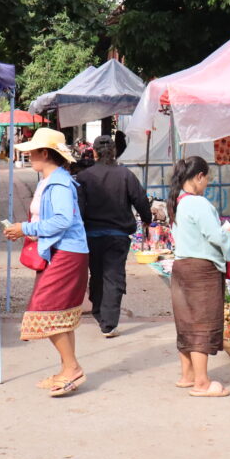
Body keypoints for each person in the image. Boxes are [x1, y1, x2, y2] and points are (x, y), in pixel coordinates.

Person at [3, 127, 89, 397]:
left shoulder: (60, 182)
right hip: (61, 251)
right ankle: (67, 368)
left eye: (32, 151)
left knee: (45, 309)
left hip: (67, 251)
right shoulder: (52, 179)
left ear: (44, 153)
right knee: (60, 311)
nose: (28, 155)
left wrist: (25, 229)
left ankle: (72, 368)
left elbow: (62, 220)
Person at [168, 156, 230, 398]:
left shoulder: (179, 202)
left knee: (186, 323)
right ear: (199, 176)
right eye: (206, 178)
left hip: (181, 267)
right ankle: (201, 382)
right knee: (201, 324)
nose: (207, 183)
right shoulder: (198, 203)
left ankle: (187, 375)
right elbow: (216, 237)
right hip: (201, 270)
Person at [76, 135, 152, 338]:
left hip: (91, 236)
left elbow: (78, 209)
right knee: (114, 276)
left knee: (98, 274)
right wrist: (146, 218)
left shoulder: (84, 177)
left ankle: (101, 314)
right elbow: (141, 199)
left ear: (94, 153)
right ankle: (108, 323)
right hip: (118, 236)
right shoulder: (125, 175)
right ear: (114, 152)